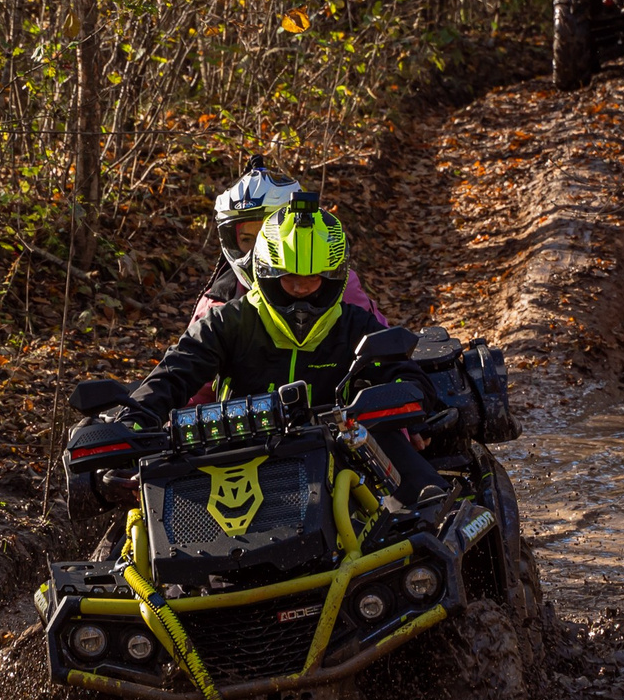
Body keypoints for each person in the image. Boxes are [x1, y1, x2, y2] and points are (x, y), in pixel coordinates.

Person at [131, 195, 449, 509]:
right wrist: (132, 420)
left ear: (332, 277)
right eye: (288, 277)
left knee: (438, 507)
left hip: (344, 459)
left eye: (311, 279)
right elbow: (174, 373)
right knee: (139, 512)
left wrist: (395, 397)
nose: (299, 289)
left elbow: (406, 375)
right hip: (231, 464)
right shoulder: (225, 322)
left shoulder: (355, 324)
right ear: (266, 272)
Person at [194, 159, 385, 327]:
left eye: (267, 235)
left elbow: (382, 350)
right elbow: (189, 359)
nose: (256, 252)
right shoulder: (216, 302)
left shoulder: (335, 284)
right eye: (247, 239)